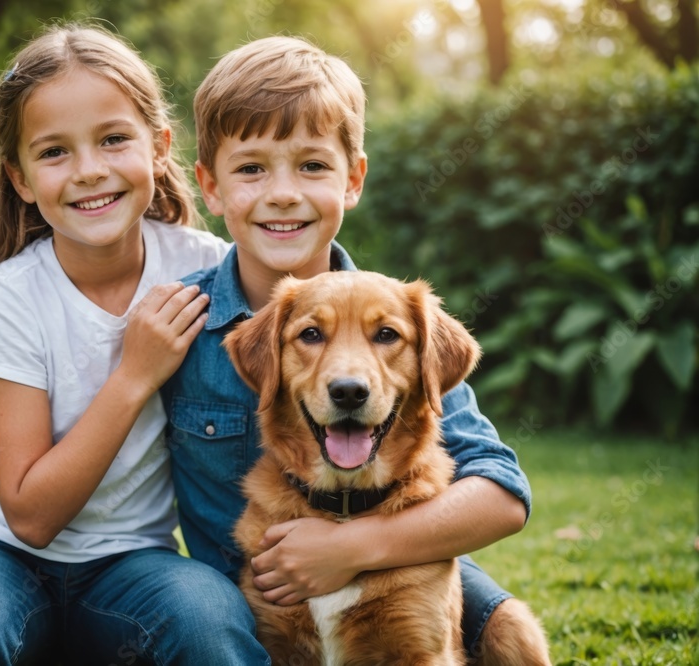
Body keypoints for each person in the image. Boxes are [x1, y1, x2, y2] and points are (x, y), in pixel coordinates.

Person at [160, 36, 551, 662]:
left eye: (312, 165)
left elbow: (503, 490)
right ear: (210, 186)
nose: (283, 192)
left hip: (402, 543)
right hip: (258, 581)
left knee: (508, 629)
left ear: (353, 179)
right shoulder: (178, 324)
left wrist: (354, 547)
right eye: (253, 167)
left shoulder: (402, 312)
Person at [0, 25, 268, 665]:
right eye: (54, 152)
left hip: (132, 564)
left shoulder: (207, 269)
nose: (89, 171)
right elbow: (31, 518)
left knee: (210, 622)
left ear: (159, 147)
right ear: (19, 177)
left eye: (113, 139)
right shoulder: (9, 296)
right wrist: (133, 375)